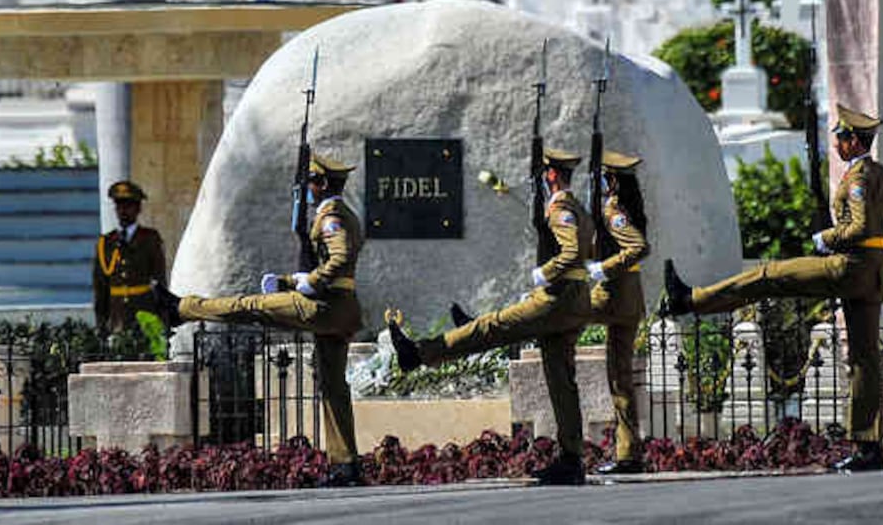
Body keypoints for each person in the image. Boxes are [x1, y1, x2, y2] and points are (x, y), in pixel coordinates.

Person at [663, 104, 883, 473]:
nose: (835, 143)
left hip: (849, 266)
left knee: (770, 275)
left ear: (852, 141)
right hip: (874, 270)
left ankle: (693, 299)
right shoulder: (879, 172)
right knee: (864, 358)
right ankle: (869, 446)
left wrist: (825, 238)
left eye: (839, 137)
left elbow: (860, 227)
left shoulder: (860, 178)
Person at [151, 153, 365, 486]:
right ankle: (346, 464)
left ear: (321, 184)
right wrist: (288, 280)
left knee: (250, 305)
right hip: (343, 309)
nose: (307, 189)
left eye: (310, 182)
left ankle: (182, 308)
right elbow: (336, 264)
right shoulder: (345, 214)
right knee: (333, 388)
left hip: (325, 307)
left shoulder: (331, 217)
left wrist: (312, 281)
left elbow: (338, 258)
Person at [389, 148, 595, 485]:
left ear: (553, 175)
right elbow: (588, 250)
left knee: (492, 325)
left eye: (545, 174)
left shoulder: (560, 207)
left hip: (557, 299)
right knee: (561, 380)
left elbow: (571, 252)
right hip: (575, 302)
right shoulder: (581, 209)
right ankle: (571, 460)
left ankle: (420, 353)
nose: (543, 179)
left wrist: (546, 272)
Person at [587, 150, 650, 475]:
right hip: (630, 302)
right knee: (620, 379)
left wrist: (602, 268)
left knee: (555, 314)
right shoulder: (630, 208)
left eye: (603, 177)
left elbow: (638, 247)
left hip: (611, 298)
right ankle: (628, 453)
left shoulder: (614, 210)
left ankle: (509, 324)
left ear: (611, 180)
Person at [92, 181, 167, 334]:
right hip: (116, 317)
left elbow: (159, 281)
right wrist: (101, 323)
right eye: (119, 206)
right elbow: (101, 288)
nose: (123, 210)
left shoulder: (150, 239)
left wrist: (162, 318)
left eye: (128, 205)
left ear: (138, 208)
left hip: (145, 314)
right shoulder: (105, 243)